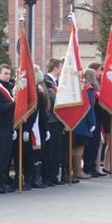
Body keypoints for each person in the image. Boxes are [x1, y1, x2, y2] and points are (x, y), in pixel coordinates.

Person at [0, 64, 15, 193]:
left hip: (8, 126)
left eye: (9, 74)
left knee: (6, 157)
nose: (8, 76)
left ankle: (2, 181)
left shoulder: (8, 88)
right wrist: (15, 103)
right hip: (0, 127)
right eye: (5, 73)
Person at [72, 68, 98, 179]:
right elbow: (90, 106)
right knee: (80, 147)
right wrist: (92, 123)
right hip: (84, 123)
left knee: (74, 147)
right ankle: (77, 170)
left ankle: (74, 170)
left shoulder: (78, 87)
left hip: (76, 121)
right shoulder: (89, 89)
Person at [43, 58, 64, 186]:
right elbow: (48, 102)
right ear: (55, 68)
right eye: (61, 67)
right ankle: (47, 176)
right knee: (49, 151)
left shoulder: (58, 82)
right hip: (50, 120)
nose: (62, 69)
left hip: (58, 121)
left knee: (56, 150)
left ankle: (54, 175)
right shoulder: (46, 83)